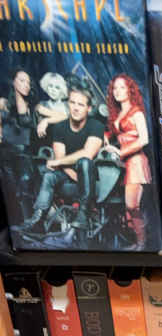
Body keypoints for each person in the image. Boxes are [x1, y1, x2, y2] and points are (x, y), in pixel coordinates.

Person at [22, 81, 104, 233]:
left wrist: (59, 162)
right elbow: (60, 158)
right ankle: (39, 219)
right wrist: (71, 173)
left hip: (90, 178)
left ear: (89, 108)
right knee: (49, 176)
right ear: (68, 104)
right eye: (72, 103)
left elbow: (87, 153)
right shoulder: (60, 127)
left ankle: (83, 213)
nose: (75, 108)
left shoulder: (96, 126)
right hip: (69, 175)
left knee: (84, 162)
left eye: (81, 104)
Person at [105, 74, 151, 248]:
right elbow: (115, 132)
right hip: (123, 164)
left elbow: (144, 139)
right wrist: (105, 137)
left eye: (122, 87)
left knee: (132, 206)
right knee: (126, 208)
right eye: (114, 88)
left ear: (130, 90)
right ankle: (137, 242)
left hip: (136, 162)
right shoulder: (118, 113)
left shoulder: (136, 112)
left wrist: (120, 151)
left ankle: (142, 243)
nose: (117, 91)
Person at [0, 69, 38, 221]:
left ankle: (29, 224)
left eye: (28, 82)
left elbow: (62, 115)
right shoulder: (3, 102)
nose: (26, 85)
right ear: (13, 82)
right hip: (5, 152)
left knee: (25, 189)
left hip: (23, 153)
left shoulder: (32, 104)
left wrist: (46, 121)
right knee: (10, 189)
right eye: (22, 80)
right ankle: (16, 225)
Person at [36, 72, 69, 138]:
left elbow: (69, 119)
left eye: (57, 87)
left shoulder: (68, 105)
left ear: (62, 90)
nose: (53, 90)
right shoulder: (42, 105)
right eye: (50, 86)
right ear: (46, 87)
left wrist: (47, 120)